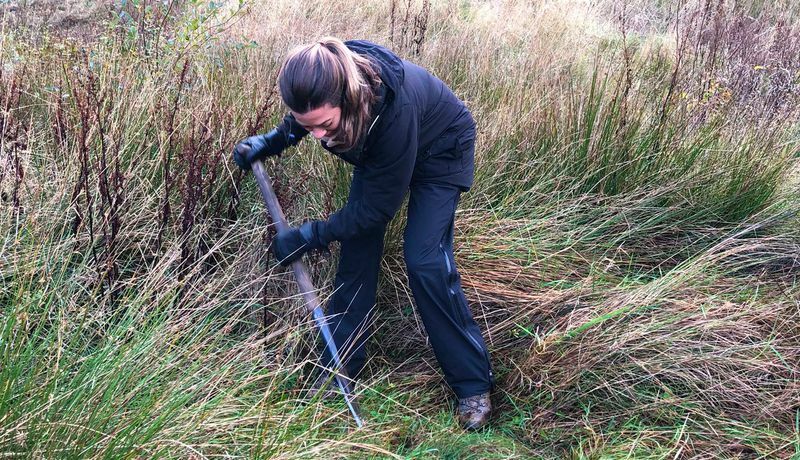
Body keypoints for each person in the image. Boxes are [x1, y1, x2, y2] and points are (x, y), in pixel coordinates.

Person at [232, 37, 494, 430]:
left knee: (425, 260)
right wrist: (271, 142)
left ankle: (473, 386)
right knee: (355, 258)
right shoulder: (325, 88)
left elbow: (373, 211)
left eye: (325, 125)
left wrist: (309, 235)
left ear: (348, 98)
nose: (319, 136)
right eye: (310, 127)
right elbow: (307, 118)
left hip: (440, 149)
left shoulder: (391, 109)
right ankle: (337, 370)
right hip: (384, 155)